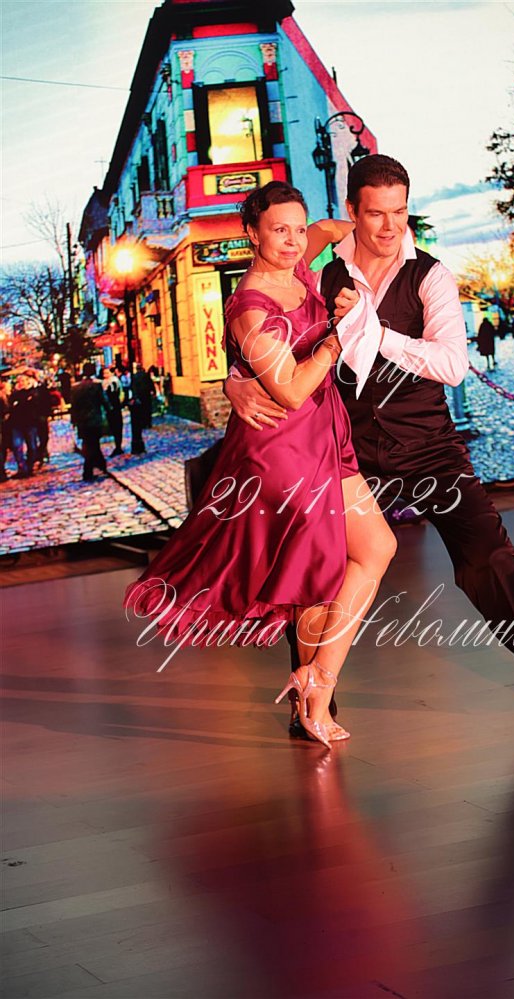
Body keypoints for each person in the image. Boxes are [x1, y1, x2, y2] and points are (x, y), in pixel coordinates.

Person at [225, 154, 514, 726]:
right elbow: (264, 328)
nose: (390, 226)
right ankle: (311, 697)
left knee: (493, 560)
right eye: (376, 213)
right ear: (352, 212)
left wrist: (377, 333)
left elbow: (451, 365)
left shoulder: (431, 276)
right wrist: (235, 382)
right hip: (344, 448)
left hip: (428, 446)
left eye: (399, 212)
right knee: (317, 567)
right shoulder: (318, 271)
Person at [124, 181, 397, 748]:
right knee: (318, 579)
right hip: (283, 453)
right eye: (279, 230)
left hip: (327, 440)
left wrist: (376, 225)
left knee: (375, 549)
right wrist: (338, 337)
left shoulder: (299, 262)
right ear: (251, 233)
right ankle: (315, 693)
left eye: (297, 228)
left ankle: (315, 680)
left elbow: (335, 228)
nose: (294, 241)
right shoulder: (251, 307)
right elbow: (292, 390)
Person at [70, 362, 109, 482]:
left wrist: (74, 421)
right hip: (94, 420)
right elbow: (104, 401)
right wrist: (109, 410)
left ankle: (100, 465)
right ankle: (89, 471)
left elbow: (73, 406)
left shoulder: (75, 387)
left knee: (89, 444)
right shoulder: (97, 386)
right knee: (93, 445)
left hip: (82, 422)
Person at [7, 374, 40, 478]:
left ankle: (29, 466)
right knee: (17, 446)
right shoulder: (15, 394)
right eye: (19, 381)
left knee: (32, 447)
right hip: (17, 424)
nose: (21, 383)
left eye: (23, 381)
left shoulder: (33, 392)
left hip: (30, 423)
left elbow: (34, 405)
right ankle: (22, 468)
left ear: (27, 381)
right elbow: (11, 407)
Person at [101, 366, 124, 455]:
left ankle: (118, 446)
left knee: (116, 426)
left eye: (107, 373)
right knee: (114, 427)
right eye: (104, 373)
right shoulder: (104, 383)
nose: (105, 375)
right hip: (110, 409)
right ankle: (117, 446)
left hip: (114, 408)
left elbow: (113, 395)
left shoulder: (113, 382)